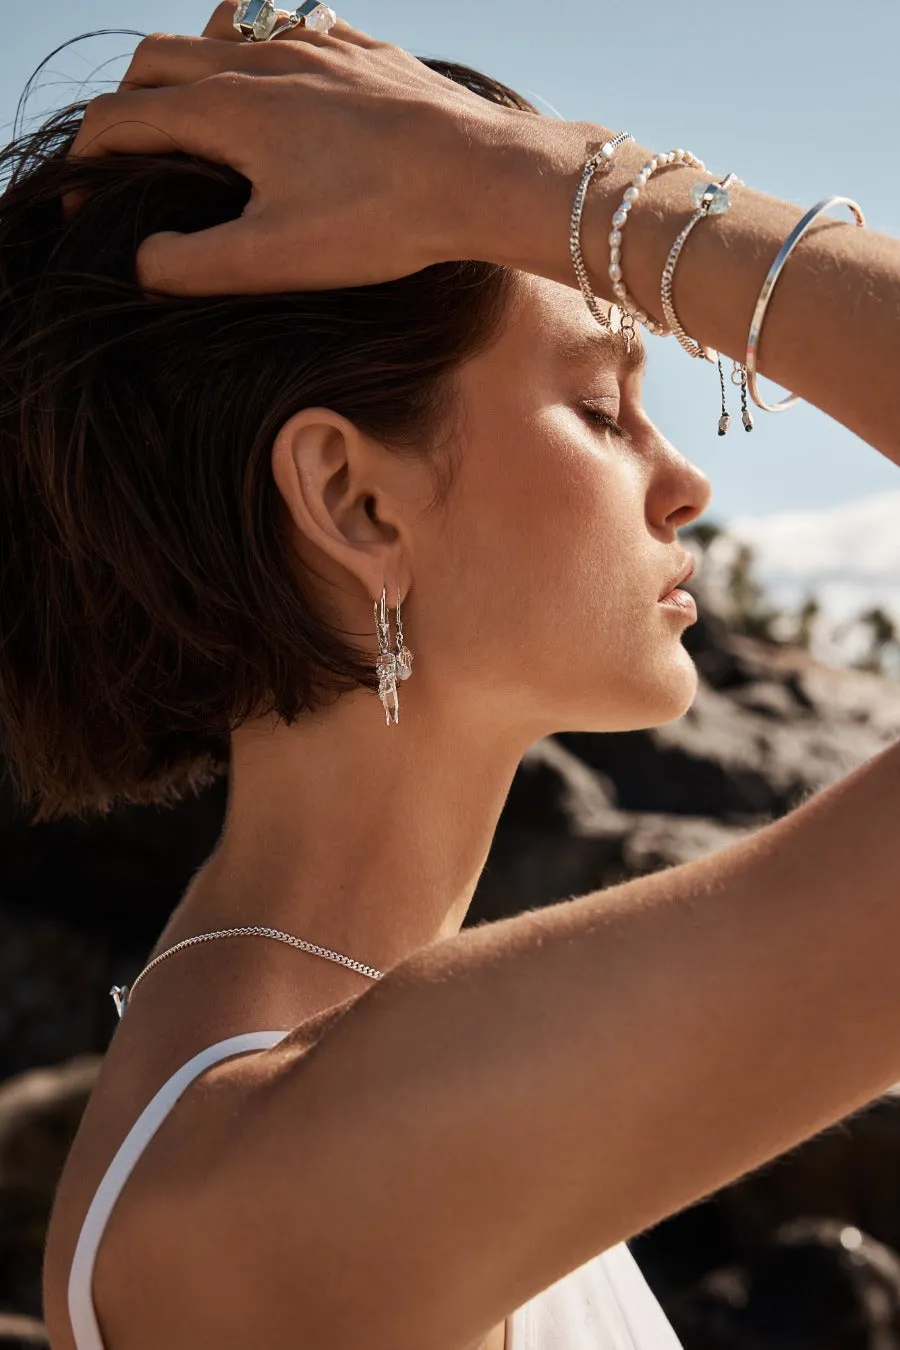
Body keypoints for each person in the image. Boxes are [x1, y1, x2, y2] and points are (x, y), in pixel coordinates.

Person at [4, 2, 893, 1347]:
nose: (687, 482)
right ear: (357, 502)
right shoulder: (306, 1153)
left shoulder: (316, 1085)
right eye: (603, 407)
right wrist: (543, 180)